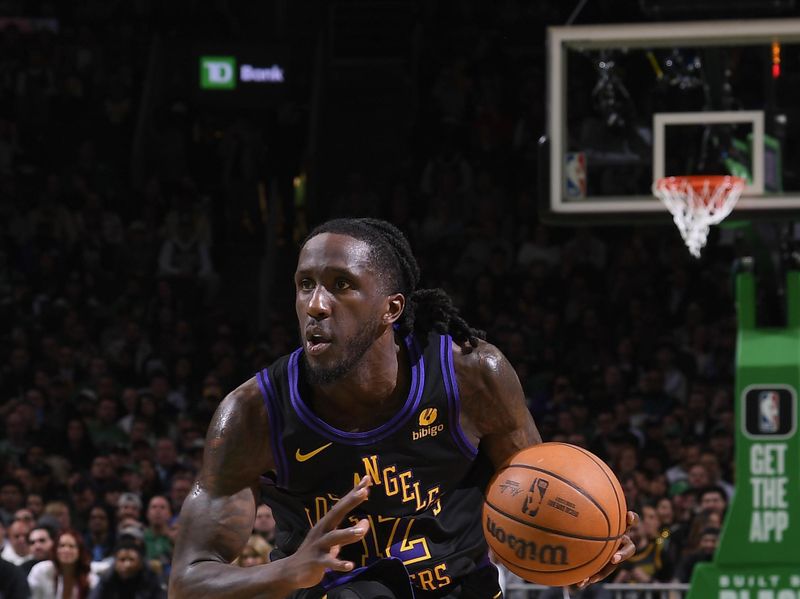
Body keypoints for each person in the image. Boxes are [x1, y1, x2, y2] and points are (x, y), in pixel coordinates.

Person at [170, 218, 637, 598]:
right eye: (304, 285)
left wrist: (580, 551)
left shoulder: (471, 376)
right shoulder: (253, 413)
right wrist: (288, 572)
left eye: (340, 285)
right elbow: (187, 582)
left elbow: (534, 504)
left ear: (391, 309)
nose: (315, 305)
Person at [27, 529, 107, 599]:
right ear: (55, 550)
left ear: (79, 551)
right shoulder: (41, 571)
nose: (66, 550)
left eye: (71, 546)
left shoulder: (90, 579)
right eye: (62, 546)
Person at [89, 538, 165, 599]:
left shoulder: (151, 578)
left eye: (131, 559)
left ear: (140, 562)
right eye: (122, 559)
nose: (127, 564)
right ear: (115, 562)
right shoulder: (107, 578)